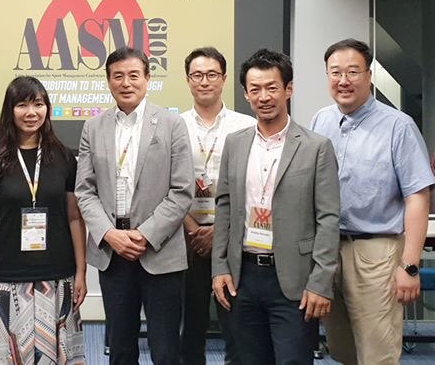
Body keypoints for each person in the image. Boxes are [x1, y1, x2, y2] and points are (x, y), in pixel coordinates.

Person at [212, 48, 340, 365]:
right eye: (255, 89)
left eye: (272, 87)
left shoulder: (316, 148)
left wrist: (320, 282)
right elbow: (224, 207)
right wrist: (220, 268)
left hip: (294, 279)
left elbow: (328, 219)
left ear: (288, 89)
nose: (264, 97)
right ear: (245, 93)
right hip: (243, 277)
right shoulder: (235, 143)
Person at [310, 39, 435, 365]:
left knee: (377, 352)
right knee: (342, 348)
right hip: (329, 250)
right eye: (335, 72)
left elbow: (417, 196)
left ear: (369, 75)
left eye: (353, 72)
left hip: (376, 252)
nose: (343, 80)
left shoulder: (398, 126)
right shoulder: (321, 121)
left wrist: (409, 265)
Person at [75, 47, 194, 365]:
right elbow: (85, 191)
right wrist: (109, 234)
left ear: (147, 78)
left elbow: (182, 191)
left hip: (160, 252)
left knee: (166, 351)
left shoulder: (171, 123)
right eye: (118, 76)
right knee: (120, 349)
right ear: (108, 81)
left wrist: (145, 235)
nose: (126, 83)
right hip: (113, 253)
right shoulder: (93, 128)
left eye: (133, 75)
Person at [0, 76, 86, 364]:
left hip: (57, 274)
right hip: (7, 276)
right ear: (10, 110)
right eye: (22, 105)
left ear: (47, 108)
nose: (31, 112)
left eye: (38, 104)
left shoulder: (63, 157)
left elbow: (74, 218)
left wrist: (81, 272)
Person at [180, 47, 255, 365]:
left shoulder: (246, 125)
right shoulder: (174, 125)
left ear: (224, 79)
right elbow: (164, 184)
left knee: (236, 324)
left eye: (211, 74)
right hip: (184, 237)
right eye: (197, 75)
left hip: (233, 237)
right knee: (189, 326)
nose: (204, 81)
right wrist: (194, 229)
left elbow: (254, 186)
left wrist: (219, 230)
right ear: (188, 80)